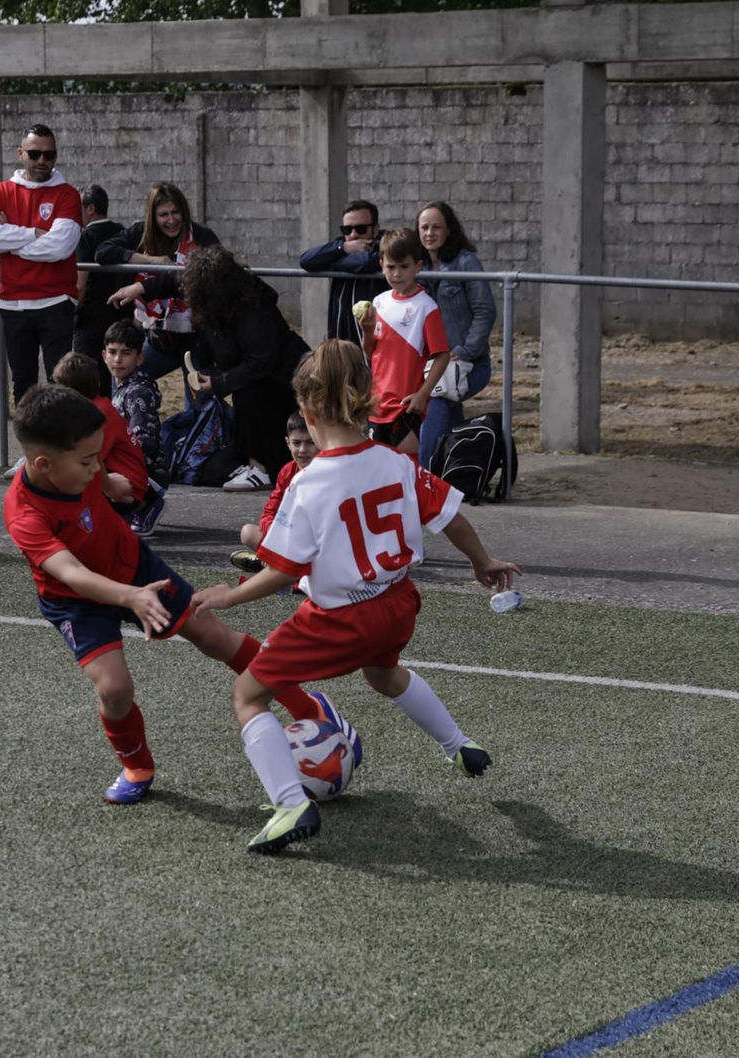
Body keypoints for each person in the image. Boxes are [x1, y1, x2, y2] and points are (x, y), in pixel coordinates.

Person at [191, 338, 521, 853]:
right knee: (384, 675)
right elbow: (450, 518)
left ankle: (290, 803)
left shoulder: (310, 482)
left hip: (340, 617)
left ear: (305, 409)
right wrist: (483, 563)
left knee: (248, 696)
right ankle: (460, 746)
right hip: (398, 604)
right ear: (367, 399)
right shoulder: (396, 462)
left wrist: (229, 597)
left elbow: (282, 570)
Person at [3, 383, 335, 807]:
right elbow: (72, 573)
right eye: (88, 462)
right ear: (44, 464)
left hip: (135, 564)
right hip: (77, 600)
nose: (95, 466)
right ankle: (137, 764)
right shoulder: (24, 512)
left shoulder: (81, 465)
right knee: (114, 688)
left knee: (213, 635)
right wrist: (131, 597)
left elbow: (97, 469)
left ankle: (309, 709)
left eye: (97, 457)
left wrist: (108, 483)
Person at [118, 246, 310, 490]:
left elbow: (260, 362)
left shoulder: (254, 307)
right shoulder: (208, 287)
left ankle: (260, 468)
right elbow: (175, 280)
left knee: (249, 392)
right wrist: (142, 288)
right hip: (256, 372)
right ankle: (252, 460)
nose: (192, 299)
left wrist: (218, 382)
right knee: (216, 466)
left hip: (283, 379)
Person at [0, 124, 83, 415]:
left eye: (48, 155)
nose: (41, 161)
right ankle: (29, 454)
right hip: (12, 302)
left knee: (59, 382)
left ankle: (59, 452)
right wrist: (35, 233)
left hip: (55, 300)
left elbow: (59, 248)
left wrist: (11, 239)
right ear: (21, 153)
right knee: (22, 384)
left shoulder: (67, 194)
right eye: (35, 153)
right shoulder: (2, 191)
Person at [95, 182, 219, 385]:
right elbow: (103, 252)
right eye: (163, 215)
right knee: (123, 381)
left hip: (198, 339)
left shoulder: (202, 236)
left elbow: (189, 279)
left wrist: (141, 287)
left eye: (175, 212)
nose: (171, 220)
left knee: (198, 406)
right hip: (157, 338)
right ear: (152, 216)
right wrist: (151, 260)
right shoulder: (142, 232)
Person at [416, 200, 497, 468]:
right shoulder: (416, 265)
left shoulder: (466, 262)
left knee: (437, 399)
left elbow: (485, 312)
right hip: (431, 364)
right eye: (424, 227)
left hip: (469, 362)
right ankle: (457, 471)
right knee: (448, 412)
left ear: (449, 230)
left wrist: (463, 351)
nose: (430, 233)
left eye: (436, 227)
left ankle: (424, 476)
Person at [50, 351, 166, 537]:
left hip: (127, 490)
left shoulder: (96, 416)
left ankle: (142, 506)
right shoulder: (97, 407)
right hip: (121, 482)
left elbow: (87, 462)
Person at [358, 227, 450, 460]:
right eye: (391, 267)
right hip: (376, 404)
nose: (396, 274)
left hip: (406, 405)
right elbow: (371, 353)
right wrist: (367, 331)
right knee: (377, 470)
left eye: (404, 266)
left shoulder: (426, 307)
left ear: (418, 266)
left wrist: (422, 394)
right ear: (381, 265)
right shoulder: (378, 302)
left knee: (406, 468)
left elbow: (442, 355)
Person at [231, 413, 318, 574]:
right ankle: (274, 564)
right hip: (289, 540)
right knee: (248, 532)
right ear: (288, 443)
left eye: (310, 443)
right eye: (296, 443)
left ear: (321, 441)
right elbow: (270, 512)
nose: (303, 450)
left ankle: (270, 565)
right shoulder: (287, 471)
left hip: (317, 544)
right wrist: (279, 533)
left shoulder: (328, 472)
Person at [298, 199, 387, 345]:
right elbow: (306, 260)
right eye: (347, 230)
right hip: (341, 331)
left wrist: (333, 262)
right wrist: (343, 248)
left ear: (375, 230)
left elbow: (365, 263)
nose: (353, 235)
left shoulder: (386, 246)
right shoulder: (341, 247)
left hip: (373, 333)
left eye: (361, 229)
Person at [72, 184, 130, 374]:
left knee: (87, 376)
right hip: (120, 317)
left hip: (91, 320)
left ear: (90, 208)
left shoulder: (87, 236)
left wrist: (71, 313)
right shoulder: (122, 232)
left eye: (77, 206)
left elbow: (79, 285)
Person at [102, 318, 162, 477]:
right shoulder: (123, 387)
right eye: (112, 352)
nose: (117, 360)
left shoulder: (137, 393)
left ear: (139, 358)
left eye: (126, 353)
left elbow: (144, 442)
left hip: (144, 477)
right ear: (104, 355)